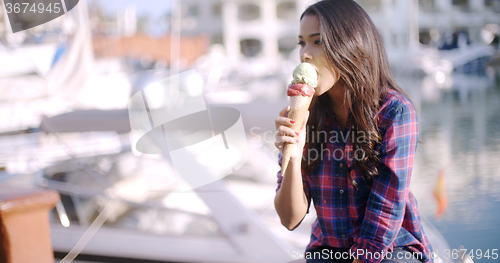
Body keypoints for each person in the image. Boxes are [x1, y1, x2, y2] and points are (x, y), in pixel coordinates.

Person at [273, 1, 433, 263]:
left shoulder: (394, 111)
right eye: (302, 43)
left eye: (318, 42)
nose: (304, 54)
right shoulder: (304, 115)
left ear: (350, 44)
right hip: (327, 251)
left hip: (390, 251)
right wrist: (292, 152)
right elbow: (290, 219)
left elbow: (385, 210)